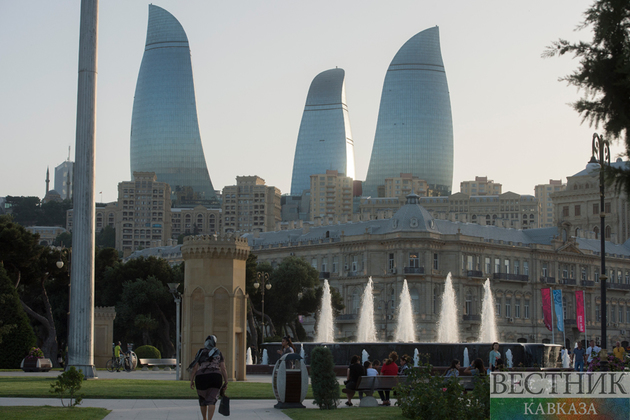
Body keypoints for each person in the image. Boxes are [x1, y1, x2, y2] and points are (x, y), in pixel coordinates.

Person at [189, 335, 228, 420]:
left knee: (202, 400)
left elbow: (195, 368)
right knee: (212, 400)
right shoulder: (218, 352)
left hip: (201, 378)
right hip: (215, 377)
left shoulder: (200, 352)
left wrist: (191, 380)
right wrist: (226, 381)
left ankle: (204, 418)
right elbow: (223, 368)